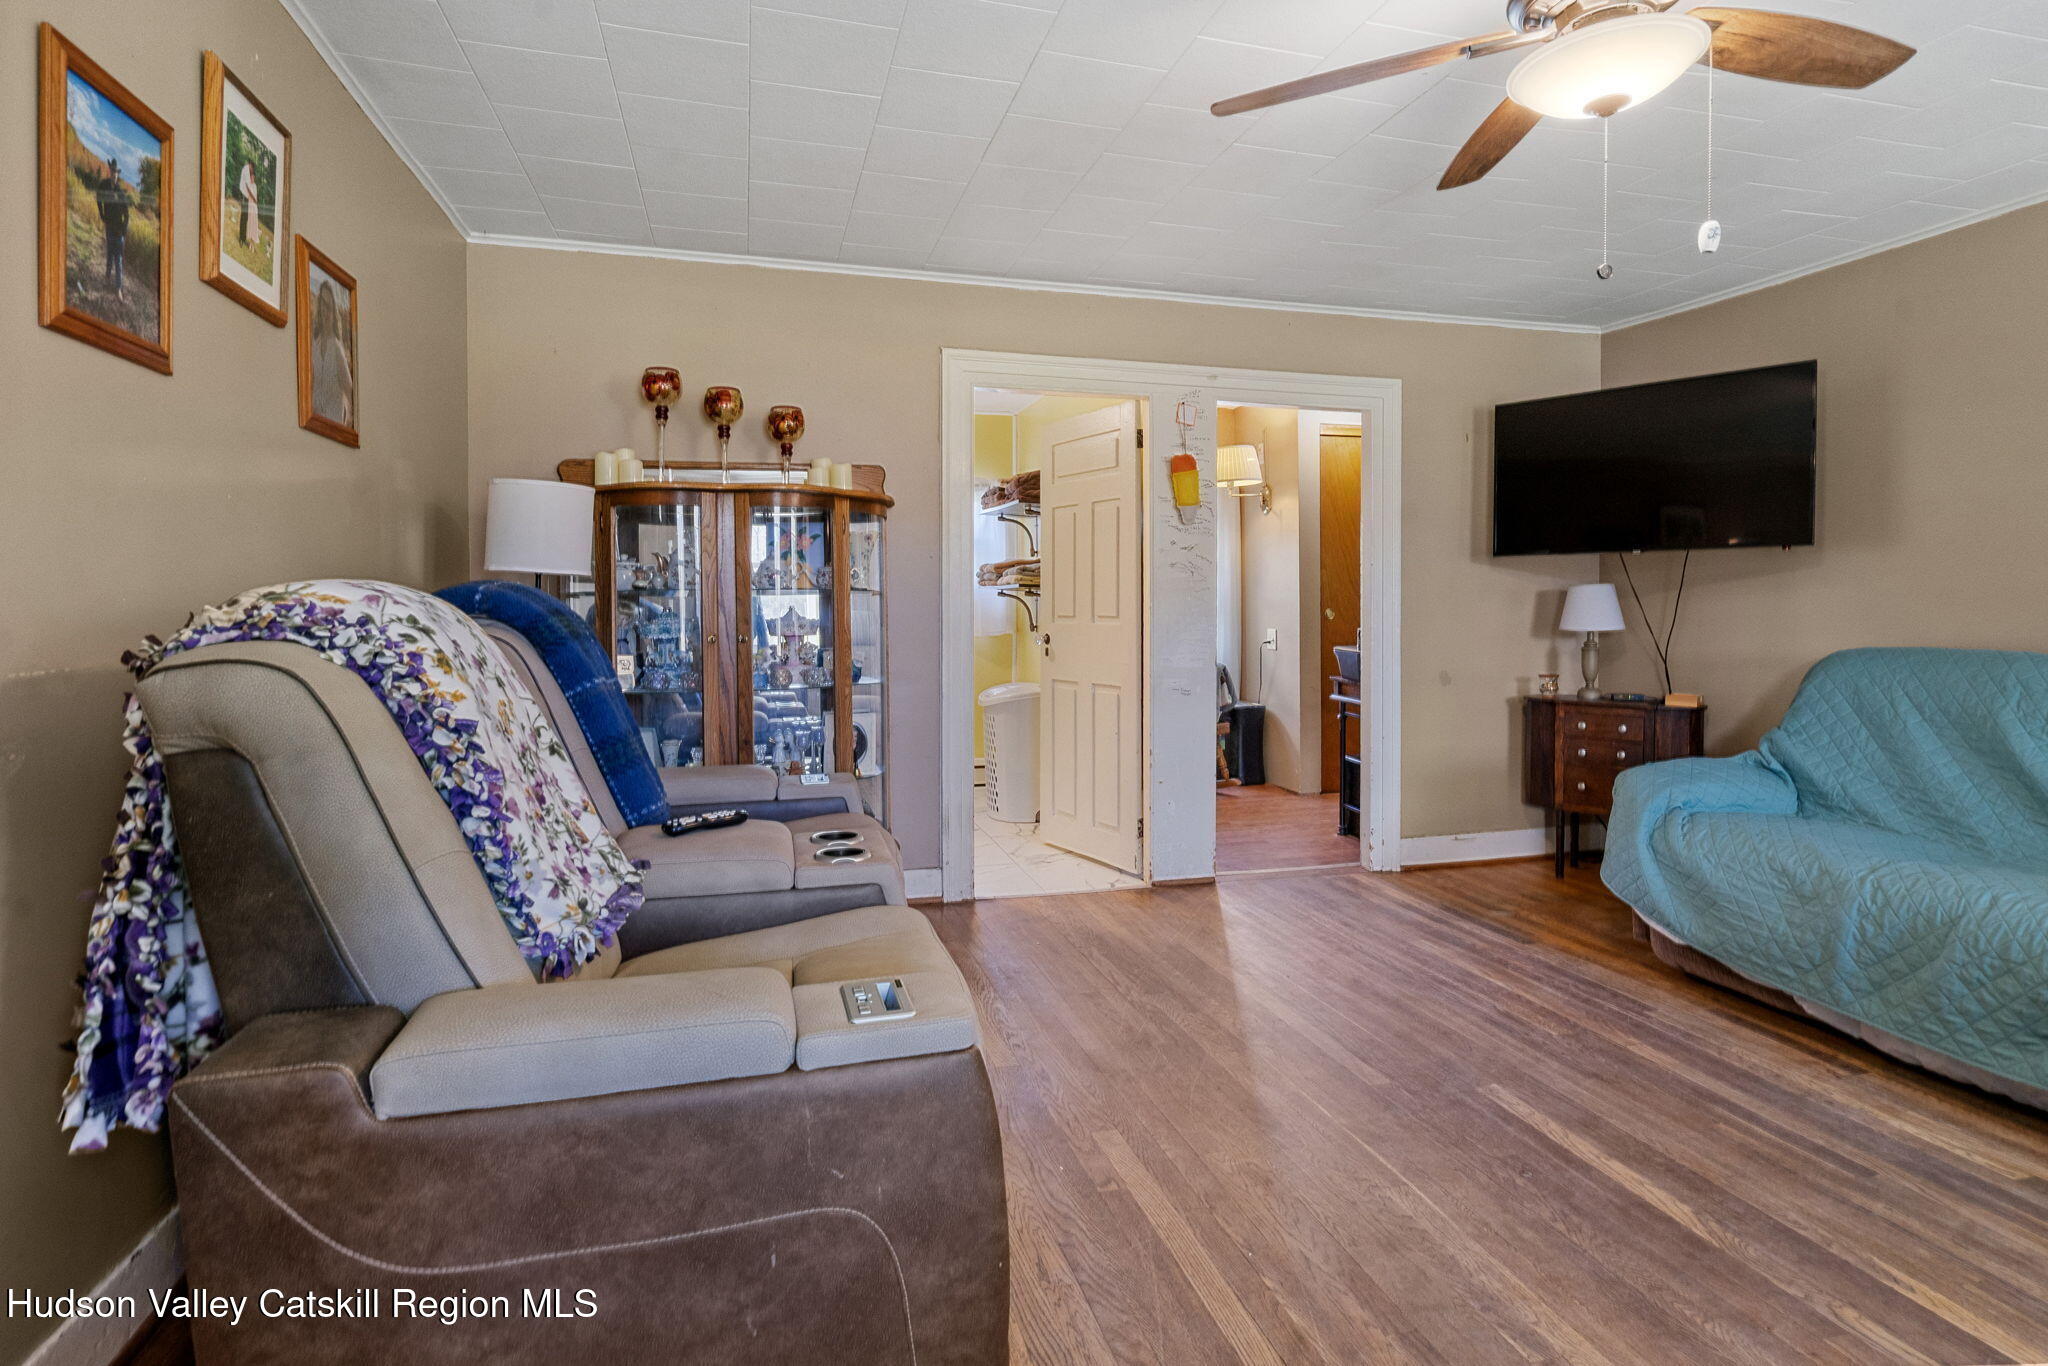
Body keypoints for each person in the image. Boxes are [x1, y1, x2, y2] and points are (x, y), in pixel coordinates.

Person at [310, 281, 354, 428]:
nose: (324, 310)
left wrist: (348, 418)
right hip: (314, 424)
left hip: (333, 425)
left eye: (328, 306)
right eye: (322, 303)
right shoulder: (313, 344)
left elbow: (350, 391)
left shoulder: (336, 348)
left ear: (333, 312)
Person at [97, 157, 131, 293]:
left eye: (116, 172)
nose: (113, 174)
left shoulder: (121, 193)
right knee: (109, 255)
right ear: (109, 172)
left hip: (119, 231)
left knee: (119, 261)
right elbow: (98, 198)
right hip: (109, 227)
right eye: (112, 172)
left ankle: (118, 289)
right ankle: (106, 278)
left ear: (118, 174)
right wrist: (102, 214)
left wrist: (123, 231)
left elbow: (127, 214)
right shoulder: (103, 185)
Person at [236, 157, 258, 247]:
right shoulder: (246, 170)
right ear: (250, 166)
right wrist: (253, 198)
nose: (252, 170)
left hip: (246, 196)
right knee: (244, 218)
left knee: (245, 218)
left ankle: (243, 238)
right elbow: (248, 186)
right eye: (252, 168)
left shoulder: (246, 170)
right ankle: (241, 239)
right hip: (245, 196)